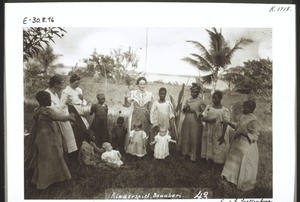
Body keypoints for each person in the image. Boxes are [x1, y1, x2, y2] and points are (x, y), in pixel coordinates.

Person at [30, 91, 75, 189]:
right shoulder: (47, 111)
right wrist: (69, 117)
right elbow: (59, 117)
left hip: (40, 139)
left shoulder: (37, 111)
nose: (50, 100)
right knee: (54, 157)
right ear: (45, 100)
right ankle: (49, 181)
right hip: (48, 139)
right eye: (49, 99)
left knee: (43, 158)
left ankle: (43, 180)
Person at [220, 100, 261, 191]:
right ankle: (231, 179)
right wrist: (228, 123)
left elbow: (255, 135)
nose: (243, 109)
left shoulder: (253, 120)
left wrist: (245, 133)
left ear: (251, 109)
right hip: (238, 142)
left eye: (245, 108)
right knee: (234, 160)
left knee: (243, 162)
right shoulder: (244, 117)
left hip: (247, 145)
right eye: (243, 107)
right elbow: (238, 126)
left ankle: (243, 183)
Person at [45, 75, 77, 154]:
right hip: (51, 122)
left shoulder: (55, 94)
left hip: (58, 119)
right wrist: (66, 116)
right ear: (55, 85)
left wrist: (65, 104)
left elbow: (58, 107)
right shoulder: (47, 94)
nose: (62, 86)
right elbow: (51, 110)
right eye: (61, 84)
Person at [177, 83, 206, 162]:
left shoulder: (201, 102)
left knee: (194, 138)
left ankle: (193, 156)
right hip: (187, 120)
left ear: (198, 92)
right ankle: (185, 153)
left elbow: (204, 114)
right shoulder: (188, 100)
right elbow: (184, 111)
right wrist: (185, 109)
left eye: (195, 92)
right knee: (186, 136)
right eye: (192, 91)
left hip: (195, 121)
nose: (193, 93)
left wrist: (194, 111)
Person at [123, 77, 153, 151]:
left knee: (143, 132)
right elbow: (127, 105)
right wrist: (126, 98)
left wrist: (151, 118)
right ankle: (132, 150)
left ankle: (142, 151)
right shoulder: (133, 93)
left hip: (145, 116)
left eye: (144, 84)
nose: (142, 86)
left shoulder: (149, 94)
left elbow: (150, 108)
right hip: (135, 115)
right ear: (137, 85)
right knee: (134, 131)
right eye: (140, 84)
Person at [201, 90, 230, 164]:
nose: (213, 100)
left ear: (220, 99)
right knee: (209, 144)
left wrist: (223, 135)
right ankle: (209, 159)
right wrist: (209, 120)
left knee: (218, 145)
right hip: (209, 130)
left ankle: (217, 162)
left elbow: (225, 123)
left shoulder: (224, 110)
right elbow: (203, 118)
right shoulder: (209, 107)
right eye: (213, 98)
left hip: (219, 131)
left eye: (216, 98)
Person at [61, 73, 90, 149]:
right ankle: (75, 150)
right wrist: (67, 103)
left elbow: (83, 102)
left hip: (81, 112)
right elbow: (62, 104)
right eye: (76, 83)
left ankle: (83, 149)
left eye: (78, 83)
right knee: (75, 131)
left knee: (84, 129)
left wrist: (82, 99)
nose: (77, 85)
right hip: (73, 113)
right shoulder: (66, 91)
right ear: (71, 82)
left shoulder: (79, 90)